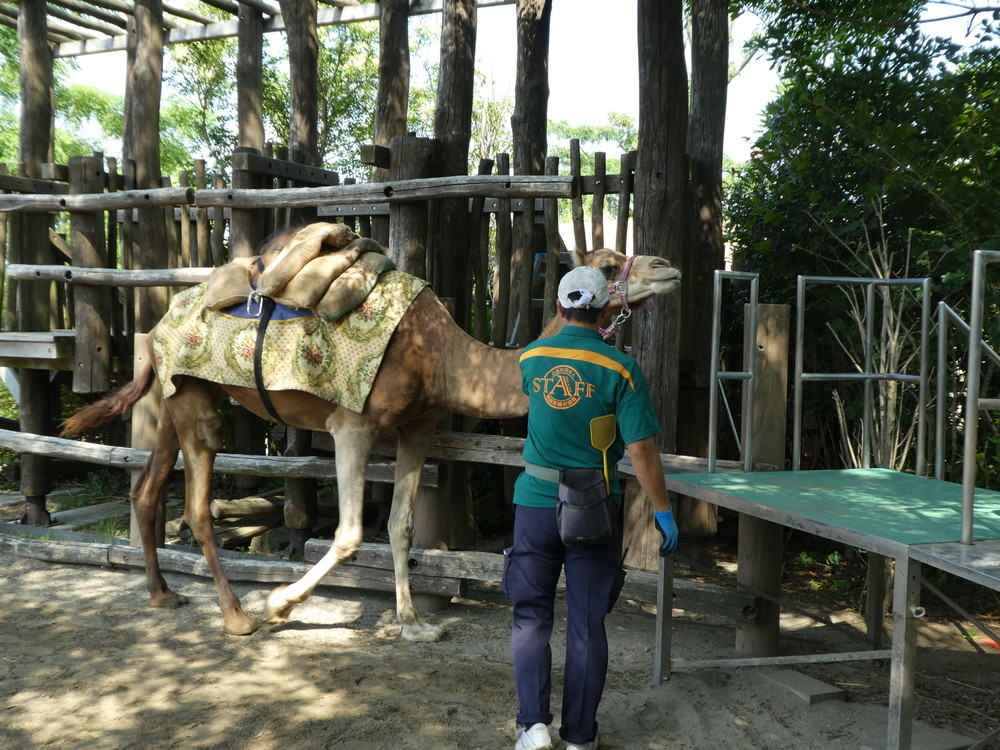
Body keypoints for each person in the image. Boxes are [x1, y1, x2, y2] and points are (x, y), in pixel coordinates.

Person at [504, 265, 679, 750]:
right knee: (585, 622)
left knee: (531, 615)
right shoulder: (621, 368)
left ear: (560, 308)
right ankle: (580, 737)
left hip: (535, 505)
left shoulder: (532, 358)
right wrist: (662, 511)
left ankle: (532, 727)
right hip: (594, 508)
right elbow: (641, 450)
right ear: (605, 309)